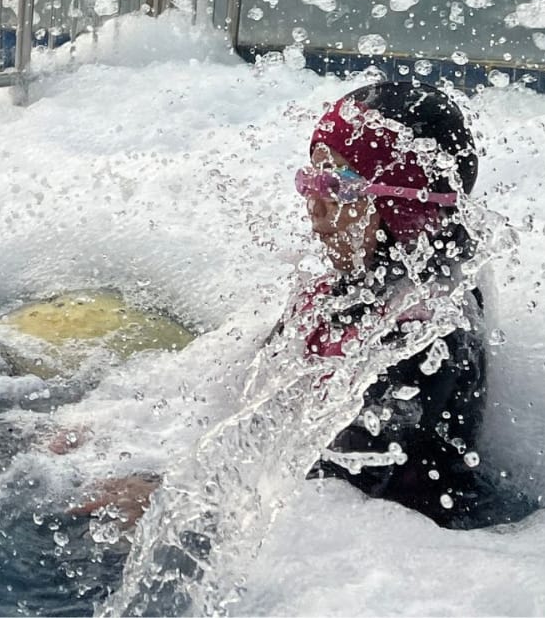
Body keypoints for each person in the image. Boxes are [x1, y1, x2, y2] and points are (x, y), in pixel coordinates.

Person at [77, 80, 487, 528]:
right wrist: (110, 431)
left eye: (338, 185)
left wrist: (179, 500)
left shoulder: (430, 335)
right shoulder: (334, 296)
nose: (315, 205)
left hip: (399, 547)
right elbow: (238, 407)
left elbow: (346, 481)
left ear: (406, 209)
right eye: (311, 179)